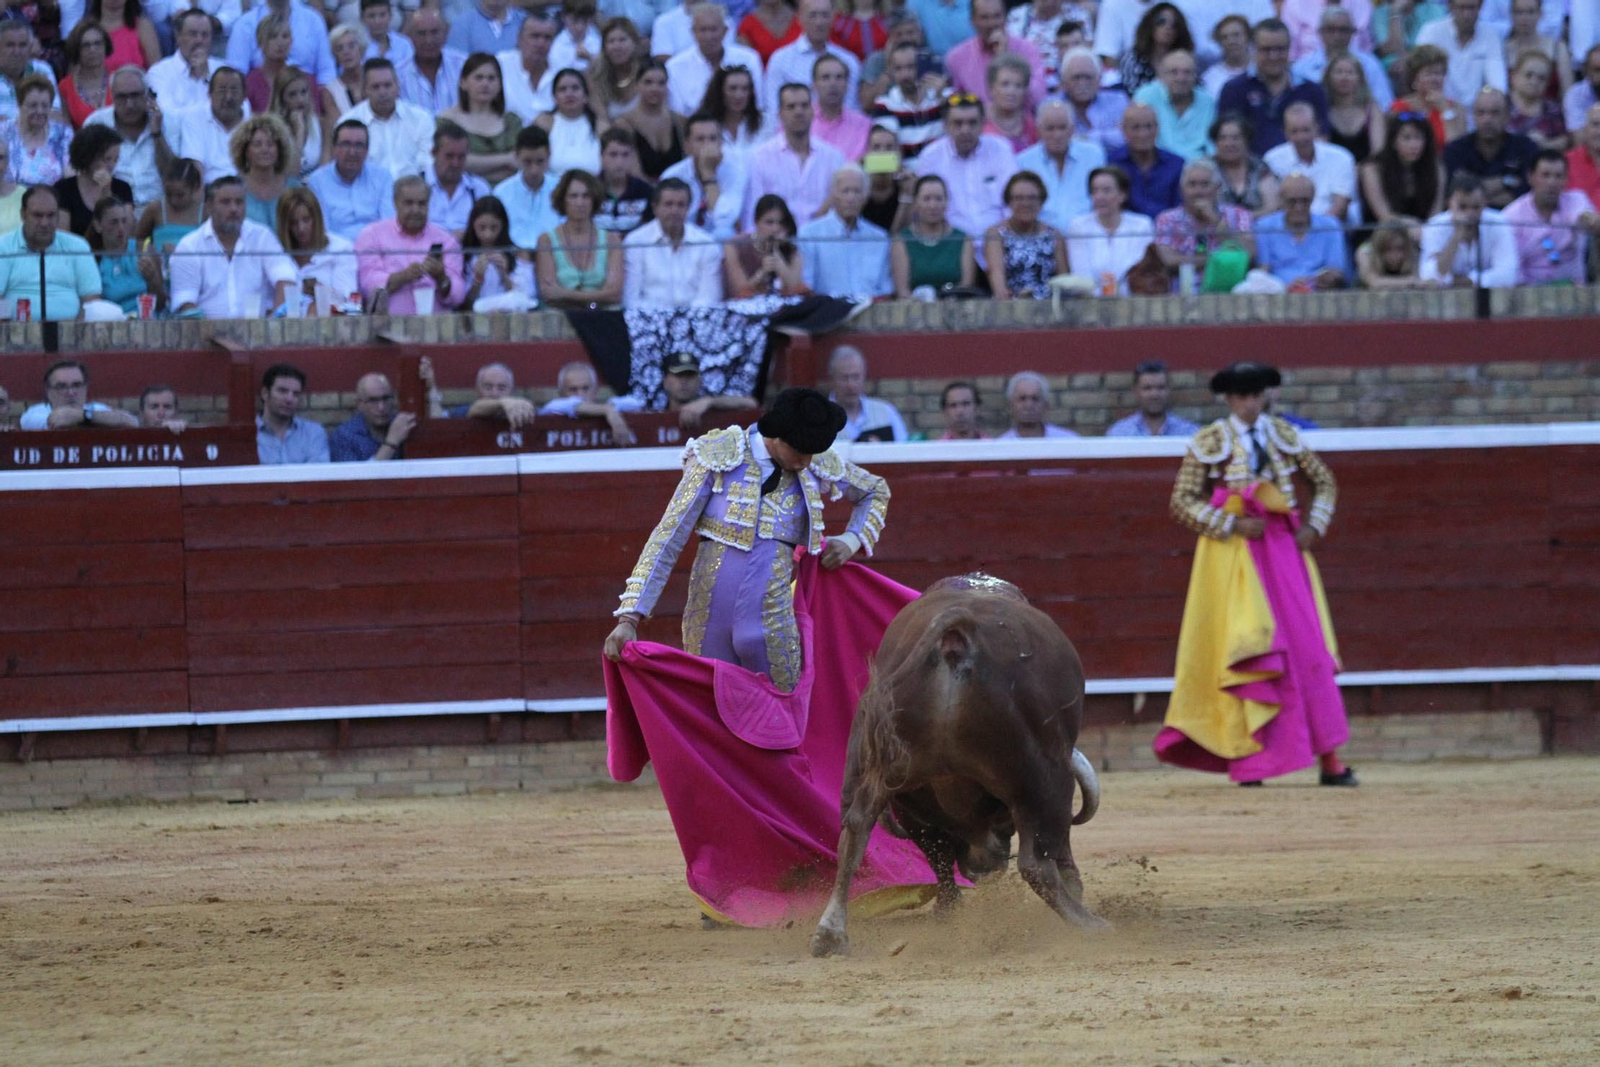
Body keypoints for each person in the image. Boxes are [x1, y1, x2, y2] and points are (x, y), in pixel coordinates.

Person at [604, 385, 887, 689]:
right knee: (709, 708)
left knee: (782, 710)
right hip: (709, 622)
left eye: (811, 453)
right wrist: (629, 618)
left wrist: (852, 539)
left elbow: (875, 490)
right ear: (775, 436)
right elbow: (668, 537)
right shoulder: (717, 455)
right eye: (799, 451)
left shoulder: (815, 461)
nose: (805, 462)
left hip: (773, 627)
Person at [1156, 360, 1355, 787]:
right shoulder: (1210, 441)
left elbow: (1324, 483)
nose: (1250, 403)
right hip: (1233, 557)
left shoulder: (1283, 435)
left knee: (1306, 648)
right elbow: (1182, 502)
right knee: (1245, 649)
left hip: (1283, 551)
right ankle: (1250, 762)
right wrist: (1231, 524)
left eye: (1256, 395)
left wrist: (1313, 526)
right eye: (1242, 396)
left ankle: (1331, 762)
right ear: (1229, 399)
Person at [170, 176, 298, 319]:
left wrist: (273, 324)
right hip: (206, 331)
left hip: (259, 331)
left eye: (239, 202)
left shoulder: (262, 237)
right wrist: (213, 331)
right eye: (225, 202)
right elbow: (185, 305)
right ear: (209, 206)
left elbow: (287, 279)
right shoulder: (190, 246)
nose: (234, 209)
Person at [912, 92, 1018, 246]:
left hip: (1000, 243)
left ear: (983, 124)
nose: (965, 130)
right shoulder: (930, 156)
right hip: (951, 246)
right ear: (945, 125)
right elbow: (926, 210)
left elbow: (1013, 200)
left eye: (972, 123)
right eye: (958, 123)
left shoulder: (1001, 149)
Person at [355, 174, 467, 313]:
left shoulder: (446, 241)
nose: (416, 210)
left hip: (436, 324)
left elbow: (458, 296)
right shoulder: (372, 235)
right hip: (387, 324)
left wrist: (441, 278)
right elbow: (367, 285)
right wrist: (404, 276)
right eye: (409, 203)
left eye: (422, 203)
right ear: (395, 203)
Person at [1217, 18, 1329, 157]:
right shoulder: (1234, 90)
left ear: (1289, 49)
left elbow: (1321, 139)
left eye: (1280, 49)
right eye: (1266, 50)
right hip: (1250, 167)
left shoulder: (1312, 91)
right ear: (1253, 49)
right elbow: (1226, 141)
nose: (1273, 56)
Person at [745, 83, 845, 228]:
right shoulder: (760, 157)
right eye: (791, 107)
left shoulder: (834, 157)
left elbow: (839, 209)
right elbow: (753, 212)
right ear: (780, 114)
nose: (799, 112)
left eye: (804, 106)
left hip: (823, 237)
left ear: (813, 111)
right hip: (777, 238)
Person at [0, 187, 104, 321]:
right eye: (37, 215)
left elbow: (91, 301)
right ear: (23, 215)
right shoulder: (4, 247)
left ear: (58, 216)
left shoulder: (78, 247)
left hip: (71, 330)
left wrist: (76, 331)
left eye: (51, 215)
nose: (44, 223)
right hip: (16, 330)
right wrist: (11, 331)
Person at [1499, 149, 1599, 286]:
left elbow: (1584, 216)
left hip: (1575, 292)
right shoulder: (1510, 216)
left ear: (1566, 180)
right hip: (1528, 293)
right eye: (1545, 175)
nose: (1552, 182)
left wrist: (1590, 221)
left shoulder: (1577, 199)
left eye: (1558, 176)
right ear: (1530, 177)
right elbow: (1512, 268)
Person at [1154, 158, 1254, 289]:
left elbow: (1249, 254)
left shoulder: (1238, 214)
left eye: (1205, 184)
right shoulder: (1167, 218)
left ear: (1217, 188)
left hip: (1228, 290)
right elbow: (1168, 260)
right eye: (1192, 185)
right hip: (1182, 292)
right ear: (1181, 189)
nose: (1198, 191)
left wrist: (1216, 221)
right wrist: (1220, 261)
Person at [623, 177, 723, 305]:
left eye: (681, 205)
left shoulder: (707, 243)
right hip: (648, 315)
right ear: (655, 207)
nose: (674, 211)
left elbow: (709, 297)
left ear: (688, 208)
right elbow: (631, 299)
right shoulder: (635, 242)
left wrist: (685, 317)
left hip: (695, 315)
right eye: (668, 204)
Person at [535, 168, 625, 307]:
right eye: (573, 196)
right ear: (563, 200)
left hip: (603, 315)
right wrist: (596, 296)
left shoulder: (612, 241)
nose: (580, 202)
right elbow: (549, 294)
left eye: (586, 196)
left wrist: (564, 294)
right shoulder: (546, 240)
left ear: (594, 200)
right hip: (562, 315)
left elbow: (614, 295)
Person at [798, 165, 892, 298]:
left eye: (857, 191)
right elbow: (806, 286)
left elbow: (885, 289)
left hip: (870, 308)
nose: (851, 198)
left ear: (866, 196)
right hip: (827, 309)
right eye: (845, 191)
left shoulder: (879, 238)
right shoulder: (810, 234)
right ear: (833, 194)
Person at [1065, 164, 1156, 296]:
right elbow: (1081, 277)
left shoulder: (1142, 225)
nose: (1099, 197)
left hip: (1132, 300)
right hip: (1090, 302)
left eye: (1106, 191)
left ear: (1122, 195)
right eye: (1095, 191)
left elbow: (1139, 273)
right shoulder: (1079, 226)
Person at [1011, 100, 1102, 233]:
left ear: (1072, 129)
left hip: (1087, 234)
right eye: (1050, 128)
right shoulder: (1023, 161)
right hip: (1041, 236)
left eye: (1062, 128)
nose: (1057, 135)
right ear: (1039, 131)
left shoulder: (1093, 154)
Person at [1442, 88, 1537, 209]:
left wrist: (1476, 197)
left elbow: (1526, 194)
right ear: (1473, 116)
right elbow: (1453, 192)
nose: (1487, 120)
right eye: (1480, 113)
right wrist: (1505, 181)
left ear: (1507, 115)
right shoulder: (1456, 150)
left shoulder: (1525, 147)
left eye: (1495, 113)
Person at [1418, 171, 1517, 287]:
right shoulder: (1435, 226)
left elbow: (1508, 275)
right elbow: (1429, 276)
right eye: (1462, 207)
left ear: (1485, 204)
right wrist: (1458, 234)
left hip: (1486, 296)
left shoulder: (1498, 222)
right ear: (1450, 204)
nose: (1470, 214)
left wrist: (1463, 281)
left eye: (1476, 207)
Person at [1254, 172, 1351, 290]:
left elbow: (1336, 270)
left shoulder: (1330, 225)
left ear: (1313, 198)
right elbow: (1263, 270)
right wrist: (1285, 286)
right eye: (1292, 201)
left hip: (1319, 291)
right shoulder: (1265, 226)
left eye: (1304, 201)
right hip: (1278, 292)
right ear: (1281, 200)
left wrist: (1321, 280)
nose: (1299, 207)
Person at [341, 59, 434, 182]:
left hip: (414, 189)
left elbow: (427, 164)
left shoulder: (421, 118)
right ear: (364, 90)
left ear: (398, 86)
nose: (383, 92)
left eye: (388, 85)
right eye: (375, 87)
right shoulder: (348, 123)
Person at [1264, 101, 1357, 222]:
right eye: (1294, 131)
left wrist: (1317, 228)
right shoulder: (1271, 160)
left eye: (1306, 130)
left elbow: (1340, 205)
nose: (1301, 137)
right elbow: (1275, 205)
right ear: (1285, 132)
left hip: (1331, 226)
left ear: (1316, 128)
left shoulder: (1341, 158)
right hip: (1288, 227)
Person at [1291, 5, 1395, 113]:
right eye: (1331, 30)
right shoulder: (1302, 69)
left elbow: (1385, 106)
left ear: (1353, 32)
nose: (1337, 36)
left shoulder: (1369, 65)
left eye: (1343, 30)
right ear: (1320, 32)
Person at [81, 67, 160, 209]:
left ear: (147, 95)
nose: (129, 104)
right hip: (115, 209)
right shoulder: (96, 123)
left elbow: (175, 175)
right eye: (122, 97)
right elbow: (84, 174)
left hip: (160, 209)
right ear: (112, 96)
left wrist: (158, 134)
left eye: (135, 95)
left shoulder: (166, 122)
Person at [665, 3, 763, 116]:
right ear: (693, 32)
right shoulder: (674, 67)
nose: (709, 36)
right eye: (703, 30)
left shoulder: (749, 59)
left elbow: (758, 105)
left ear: (725, 31)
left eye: (713, 29)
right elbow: (677, 113)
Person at [661, 112, 747, 240]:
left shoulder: (735, 173)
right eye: (700, 139)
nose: (708, 145)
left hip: (719, 242)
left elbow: (724, 221)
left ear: (721, 143)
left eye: (713, 138)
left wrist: (709, 175)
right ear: (687, 146)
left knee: (723, 233)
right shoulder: (672, 175)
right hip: (683, 240)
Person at [307, 119, 397, 241]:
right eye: (345, 144)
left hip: (377, 246)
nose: (352, 152)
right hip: (337, 249)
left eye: (359, 145)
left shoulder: (383, 177)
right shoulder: (317, 182)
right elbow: (323, 231)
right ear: (334, 148)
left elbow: (388, 224)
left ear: (367, 151)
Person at [765, 0, 859, 116]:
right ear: (799, 18)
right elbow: (773, 110)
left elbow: (851, 108)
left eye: (825, 15)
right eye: (813, 15)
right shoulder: (780, 60)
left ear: (833, 18)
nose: (819, 22)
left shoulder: (848, 61)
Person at [983, 170, 1068, 300]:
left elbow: (1064, 279)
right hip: (1011, 305)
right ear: (1009, 201)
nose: (1026, 203)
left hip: (1050, 305)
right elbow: (996, 274)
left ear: (1041, 200)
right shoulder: (996, 234)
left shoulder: (1054, 234)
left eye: (1032, 198)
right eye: (1019, 198)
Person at [946, 0, 1045, 110]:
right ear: (973, 21)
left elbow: (1037, 97)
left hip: (1020, 118)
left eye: (997, 16)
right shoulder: (957, 57)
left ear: (1006, 18)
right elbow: (957, 106)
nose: (992, 24)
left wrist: (1005, 58)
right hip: (979, 119)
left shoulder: (1027, 49)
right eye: (984, 17)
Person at [159, 66, 248, 185]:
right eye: (221, 90)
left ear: (244, 96)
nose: (228, 97)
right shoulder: (194, 118)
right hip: (209, 190)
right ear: (209, 94)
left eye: (234, 90)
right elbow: (196, 170)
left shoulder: (252, 124)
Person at [891, 173, 975, 297]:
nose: (933, 205)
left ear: (947, 202)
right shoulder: (902, 241)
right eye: (926, 199)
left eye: (938, 199)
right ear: (915, 203)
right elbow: (903, 290)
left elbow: (966, 285)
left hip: (955, 304)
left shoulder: (963, 239)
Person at [277, 186, 358, 313]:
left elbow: (349, 302)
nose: (301, 228)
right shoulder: (276, 251)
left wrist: (320, 291)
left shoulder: (340, 248)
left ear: (316, 218)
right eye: (293, 222)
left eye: (306, 220)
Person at [226, 0, 337, 90]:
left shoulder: (313, 19)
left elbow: (326, 70)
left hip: (307, 94)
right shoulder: (244, 24)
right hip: (262, 95)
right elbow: (236, 74)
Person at [1360, 112, 1446, 228]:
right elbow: (1383, 215)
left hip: (1426, 231)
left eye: (1418, 137)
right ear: (1393, 141)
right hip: (1383, 232)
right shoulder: (1372, 168)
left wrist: (1426, 231)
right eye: (1407, 138)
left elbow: (1436, 213)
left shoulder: (1437, 167)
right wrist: (1409, 225)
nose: (1414, 145)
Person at [1415, 0, 1506, 104]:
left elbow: (1497, 83)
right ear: (1450, 6)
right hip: (1438, 105)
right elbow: (1420, 76)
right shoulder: (1430, 32)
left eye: (1471, 8)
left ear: (1480, 7)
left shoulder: (1490, 34)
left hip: (1479, 110)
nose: (1467, 14)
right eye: (1461, 8)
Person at [1132, 49, 1213, 163]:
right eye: (1174, 72)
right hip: (1159, 164)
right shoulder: (1146, 96)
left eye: (1187, 72)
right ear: (1161, 75)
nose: (1181, 78)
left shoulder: (1207, 101)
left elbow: (1212, 144)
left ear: (1196, 75)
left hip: (1199, 166)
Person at [53, 124, 133, 237]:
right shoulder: (64, 188)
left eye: (115, 160)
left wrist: (106, 193)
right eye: (106, 159)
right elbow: (63, 235)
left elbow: (126, 233)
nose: (111, 166)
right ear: (88, 156)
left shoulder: (122, 188)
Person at [536, 359, 641, 443]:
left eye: (585, 388)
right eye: (573, 390)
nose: (580, 395)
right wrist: (608, 410)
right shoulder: (554, 407)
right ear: (561, 394)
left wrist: (610, 410)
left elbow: (636, 403)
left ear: (596, 391)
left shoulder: (610, 407)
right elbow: (569, 405)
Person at [1107, 102, 1183, 218]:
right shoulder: (1112, 164)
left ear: (1157, 128)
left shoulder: (1176, 164)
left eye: (1148, 127)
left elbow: (1180, 208)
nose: (1143, 134)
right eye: (1135, 127)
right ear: (1123, 130)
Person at [724, 192, 807, 297]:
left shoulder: (791, 249)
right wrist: (762, 272)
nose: (775, 229)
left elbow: (794, 288)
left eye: (781, 222)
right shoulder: (735, 245)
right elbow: (740, 292)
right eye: (769, 222)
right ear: (756, 221)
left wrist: (777, 252)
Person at [871, 40, 945, 158]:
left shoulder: (944, 96)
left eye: (911, 67)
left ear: (922, 66)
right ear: (891, 72)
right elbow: (885, 153)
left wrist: (942, 100)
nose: (905, 75)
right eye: (898, 69)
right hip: (904, 168)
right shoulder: (885, 105)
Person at [494, 125, 565, 247]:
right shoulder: (501, 193)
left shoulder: (562, 190)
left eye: (540, 161)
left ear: (549, 156)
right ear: (516, 156)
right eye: (527, 162)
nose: (534, 170)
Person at [18, 359, 138, 429]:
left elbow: (132, 422)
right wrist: (100, 419)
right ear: (48, 391)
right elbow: (57, 421)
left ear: (86, 388)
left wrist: (84, 416)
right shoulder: (34, 414)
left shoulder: (96, 408)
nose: (71, 392)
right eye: (61, 386)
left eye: (77, 385)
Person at [613, 59, 682, 179]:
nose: (655, 88)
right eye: (648, 82)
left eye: (661, 83)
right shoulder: (623, 124)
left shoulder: (679, 121)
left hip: (679, 188)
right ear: (637, 85)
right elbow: (633, 172)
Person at [95, 195, 165, 314]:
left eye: (124, 221)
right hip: (115, 322)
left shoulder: (144, 250)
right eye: (114, 222)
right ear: (98, 226)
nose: (121, 228)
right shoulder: (96, 261)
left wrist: (152, 280)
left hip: (147, 321)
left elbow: (161, 305)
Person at [230, 113, 300, 230]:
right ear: (245, 150)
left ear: (279, 149)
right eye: (257, 145)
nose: (265, 149)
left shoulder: (295, 189)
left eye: (270, 144)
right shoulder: (233, 189)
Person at [328, 372, 417, 462]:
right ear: (360, 404)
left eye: (386, 398)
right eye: (373, 401)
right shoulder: (344, 437)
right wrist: (391, 443)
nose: (381, 407)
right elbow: (355, 472)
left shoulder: (403, 425)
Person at [536, 67, 606, 180]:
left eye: (575, 88)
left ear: (586, 96)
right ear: (554, 97)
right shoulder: (544, 123)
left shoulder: (601, 127)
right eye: (562, 89)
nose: (569, 94)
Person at [147, 9, 222, 115]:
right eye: (193, 34)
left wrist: (206, 77)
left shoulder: (222, 69)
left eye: (205, 35)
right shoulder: (159, 73)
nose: (199, 40)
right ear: (178, 36)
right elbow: (167, 114)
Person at [826, 345, 907, 443]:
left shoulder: (886, 413)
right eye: (844, 378)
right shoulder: (820, 418)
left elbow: (905, 448)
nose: (851, 385)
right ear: (831, 379)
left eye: (856, 377)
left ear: (864, 377)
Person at [1390, 43, 1466, 146]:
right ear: (1415, 78)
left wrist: (1445, 111)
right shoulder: (1399, 109)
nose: (1435, 79)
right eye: (1429, 73)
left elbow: (1457, 150)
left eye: (1439, 73)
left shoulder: (1457, 109)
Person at [424, 121, 492, 236]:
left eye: (461, 157)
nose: (455, 163)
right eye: (449, 156)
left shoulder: (480, 189)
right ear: (433, 153)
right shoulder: (416, 187)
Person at [4, 75, 73, 188]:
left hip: (52, 197)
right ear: (19, 105)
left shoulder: (63, 134)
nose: (40, 111)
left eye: (45, 106)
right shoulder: (3, 133)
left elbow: (71, 179)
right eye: (33, 105)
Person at [256, 362, 331, 464]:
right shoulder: (246, 435)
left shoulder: (313, 433)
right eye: (282, 391)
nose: (289, 399)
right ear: (265, 393)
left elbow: (318, 472)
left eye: (296, 394)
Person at [1322, 53, 1387, 165]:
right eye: (1339, 72)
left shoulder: (1372, 109)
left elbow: (1378, 149)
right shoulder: (1322, 109)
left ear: (1360, 78)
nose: (1344, 78)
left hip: (1366, 168)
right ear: (1328, 77)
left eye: (1350, 73)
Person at [398, 9, 467, 114]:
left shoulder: (463, 66)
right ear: (410, 37)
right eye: (421, 34)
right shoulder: (398, 75)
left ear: (445, 34)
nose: (429, 40)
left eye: (434, 32)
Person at [1105, 360, 1198, 437]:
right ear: (1136, 391)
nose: (1154, 395)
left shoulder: (1189, 433)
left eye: (1161, 387)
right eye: (1147, 388)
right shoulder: (1119, 433)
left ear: (1169, 389)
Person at [1211, 114, 1281, 216]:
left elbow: (1272, 207)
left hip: (1258, 224)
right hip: (1215, 224)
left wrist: (1242, 220)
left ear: (1246, 140)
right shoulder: (1206, 169)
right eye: (1222, 138)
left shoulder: (1261, 168)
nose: (1229, 144)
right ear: (1215, 142)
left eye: (1235, 138)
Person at [1119, 3, 1193, 95]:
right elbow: (1130, 93)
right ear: (1150, 25)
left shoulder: (1186, 60)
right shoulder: (1134, 58)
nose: (1168, 27)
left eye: (1175, 24)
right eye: (1161, 21)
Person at [498, 12, 558, 124]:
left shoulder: (562, 71)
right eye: (535, 36)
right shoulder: (500, 64)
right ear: (519, 38)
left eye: (547, 38)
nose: (541, 43)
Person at [594, 127, 655, 235]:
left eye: (625, 155)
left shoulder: (646, 192)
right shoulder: (589, 190)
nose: (619, 162)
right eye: (613, 154)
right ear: (601, 156)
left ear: (633, 157)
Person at [1506, 50, 1569, 152]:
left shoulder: (1552, 109)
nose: (1534, 81)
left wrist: (1544, 145)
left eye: (1541, 78)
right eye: (1528, 75)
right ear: (1514, 76)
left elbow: (1564, 141)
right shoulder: (1501, 105)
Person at [702, 60, 768, 158]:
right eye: (733, 88)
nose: (739, 95)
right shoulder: (704, 125)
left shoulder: (765, 122)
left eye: (745, 89)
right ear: (720, 91)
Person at [813, 52, 872, 159]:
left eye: (839, 77)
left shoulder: (864, 125)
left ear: (847, 84)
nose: (833, 83)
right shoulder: (800, 121)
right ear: (814, 85)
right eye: (825, 77)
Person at [60, 22, 114, 129]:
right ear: (76, 50)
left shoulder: (119, 79)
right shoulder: (65, 87)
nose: (93, 49)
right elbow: (66, 130)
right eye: (86, 45)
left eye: (97, 43)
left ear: (105, 46)